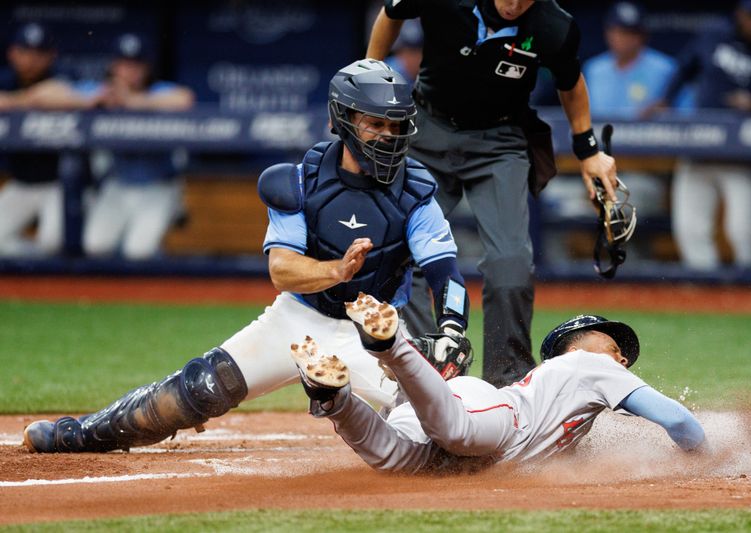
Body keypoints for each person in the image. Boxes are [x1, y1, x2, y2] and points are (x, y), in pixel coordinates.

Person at [22, 59, 472, 454]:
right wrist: (337, 270)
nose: (388, 137)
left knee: (441, 421)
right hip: (298, 320)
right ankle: (81, 433)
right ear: (344, 119)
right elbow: (282, 270)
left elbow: (443, 271)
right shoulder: (299, 182)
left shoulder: (415, 191)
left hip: (375, 333)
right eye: (376, 123)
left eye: (396, 126)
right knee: (197, 389)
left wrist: (452, 327)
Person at [367, 0, 619, 387]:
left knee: (511, 262)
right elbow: (391, 14)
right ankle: (420, 372)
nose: (515, 3)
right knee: (406, 251)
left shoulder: (554, 25)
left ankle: (507, 382)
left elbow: (571, 82)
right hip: (428, 129)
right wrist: (371, 73)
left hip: (500, 142)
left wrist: (587, 151)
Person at [292, 294, 707, 474]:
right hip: (492, 416)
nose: (622, 358)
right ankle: (391, 345)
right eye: (615, 346)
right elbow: (678, 421)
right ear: (575, 344)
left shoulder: (572, 399)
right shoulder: (590, 364)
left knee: (391, 458)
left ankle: (331, 396)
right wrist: (708, 458)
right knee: (454, 431)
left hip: (470, 446)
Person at [649, 0, 751, 270]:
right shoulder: (713, 34)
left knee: (743, 231)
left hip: (742, 155)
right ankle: (704, 293)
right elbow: (686, 67)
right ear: (740, 13)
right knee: (690, 227)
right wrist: (666, 99)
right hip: (699, 146)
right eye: (750, 16)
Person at [541, 2, 675, 262]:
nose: (622, 38)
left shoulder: (665, 70)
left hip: (641, 173)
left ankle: (635, 277)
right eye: (618, 31)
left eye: (630, 32)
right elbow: (576, 121)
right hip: (589, 171)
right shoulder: (593, 69)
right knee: (550, 200)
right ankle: (565, 281)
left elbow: (686, 127)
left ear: (642, 36)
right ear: (608, 33)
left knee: (621, 208)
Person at [76, 33, 195, 260]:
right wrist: (90, 101)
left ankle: (160, 280)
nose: (131, 71)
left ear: (147, 67)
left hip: (158, 185)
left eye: (136, 65)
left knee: (139, 252)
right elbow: (59, 94)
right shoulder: (103, 92)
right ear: (114, 66)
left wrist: (132, 101)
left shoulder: (158, 91)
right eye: (124, 64)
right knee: (95, 246)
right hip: (118, 185)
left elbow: (185, 99)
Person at [0, 22, 90, 257]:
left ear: (51, 56)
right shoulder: (7, 79)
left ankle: (49, 276)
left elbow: (67, 96)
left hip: (58, 184)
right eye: (25, 52)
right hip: (21, 183)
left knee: (52, 242)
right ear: (12, 53)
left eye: (39, 53)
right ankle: (32, 274)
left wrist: (16, 102)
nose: (31, 60)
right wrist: (31, 99)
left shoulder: (64, 75)